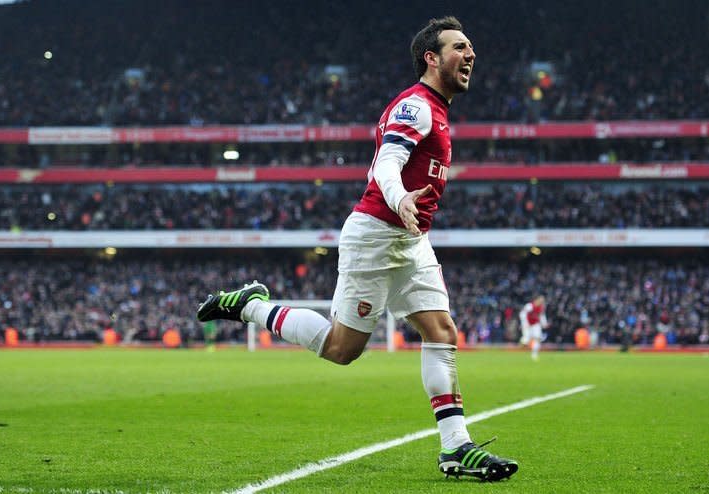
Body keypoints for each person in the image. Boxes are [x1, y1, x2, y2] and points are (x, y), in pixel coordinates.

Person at [197, 16, 518, 482]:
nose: (470, 54)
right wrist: (399, 197)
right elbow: (388, 162)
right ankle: (252, 307)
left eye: (471, 47)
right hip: (376, 234)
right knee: (342, 348)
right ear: (432, 58)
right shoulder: (417, 106)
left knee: (442, 331)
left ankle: (456, 448)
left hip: (412, 240)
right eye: (459, 47)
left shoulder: (438, 110)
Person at [519, 295, 548, 360]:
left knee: (537, 338)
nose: (542, 302)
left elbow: (541, 315)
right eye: (541, 300)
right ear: (536, 300)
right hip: (527, 324)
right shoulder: (529, 306)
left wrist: (544, 323)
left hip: (535, 324)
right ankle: (519, 348)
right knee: (526, 340)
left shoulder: (541, 307)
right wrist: (525, 323)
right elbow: (522, 314)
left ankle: (534, 354)